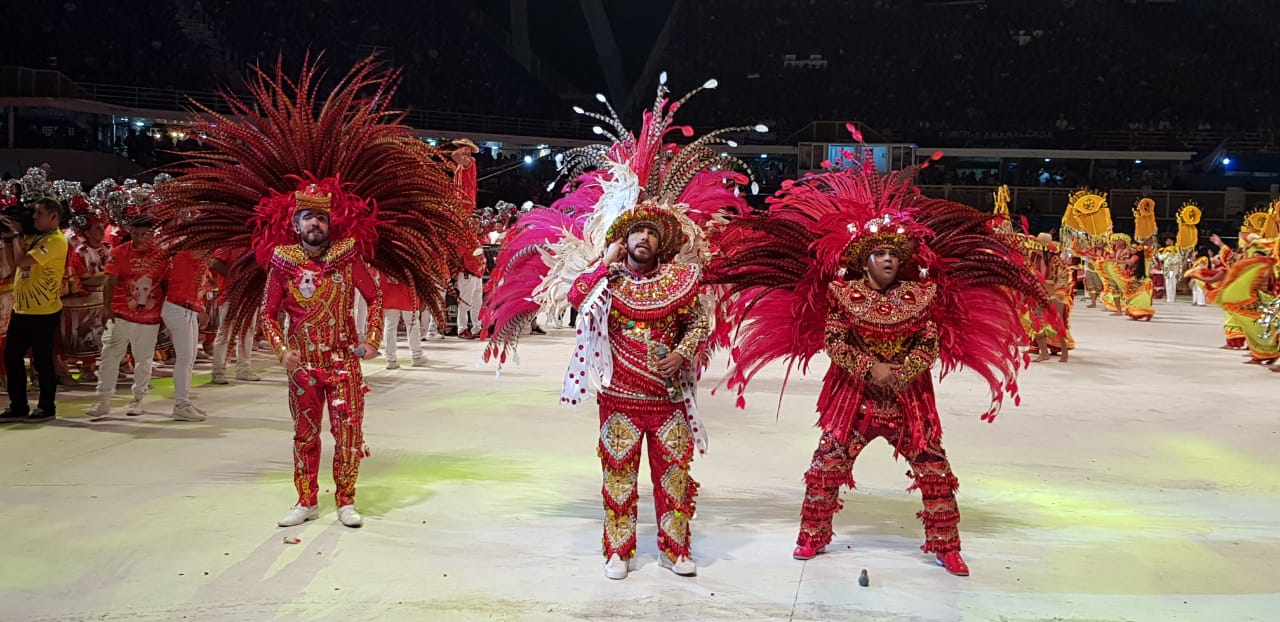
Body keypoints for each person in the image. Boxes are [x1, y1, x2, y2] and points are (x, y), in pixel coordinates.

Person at [705, 147, 1054, 578]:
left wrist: (901, 371)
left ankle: (947, 545)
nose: (888, 258)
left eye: (894, 253)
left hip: (910, 403)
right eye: (879, 253)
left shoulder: (920, 296)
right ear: (864, 260)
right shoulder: (842, 294)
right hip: (853, 399)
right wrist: (871, 369)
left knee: (935, 471)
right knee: (826, 466)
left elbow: (929, 342)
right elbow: (834, 340)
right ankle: (812, 536)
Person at [261, 185, 382, 528]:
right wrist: (281, 350)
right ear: (296, 224)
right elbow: (267, 313)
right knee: (305, 435)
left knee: (348, 435)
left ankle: (346, 500)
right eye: (308, 217)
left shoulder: (346, 257)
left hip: (343, 361)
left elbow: (374, 298)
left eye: (321, 218)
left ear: (330, 223)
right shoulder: (283, 262)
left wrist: (373, 339)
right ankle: (306, 500)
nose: (315, 223)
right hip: (303, 367)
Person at [85, 213, 168, 417]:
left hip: (150, 317)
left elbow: (166, 285)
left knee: (143, 359)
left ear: (153, 234)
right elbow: (110, 281)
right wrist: (107, 308)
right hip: (120, 314)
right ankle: (103, 400)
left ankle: (137, 400)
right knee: (109, 356)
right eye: (135, 234)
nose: (139, 238)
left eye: (144, 234)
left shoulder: (162, 256)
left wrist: (166, 313)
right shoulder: (119, 252)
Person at [0, 198, 69, 422]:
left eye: (38, 213)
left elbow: (21, 261)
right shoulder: (37, 237)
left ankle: (47, 407)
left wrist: (17, 236)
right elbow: (13, 265)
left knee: (42, 361)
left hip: (44, 311)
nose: (33, 217)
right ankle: (18, 406)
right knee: (11, 357)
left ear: (54, 217)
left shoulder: (56, 241)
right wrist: (10, 238)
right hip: (22, 309)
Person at [160, 249, 212, 421]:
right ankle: (181, 405)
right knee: (185, 359)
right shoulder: (187, 254)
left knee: (189, 358)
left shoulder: (199, 257)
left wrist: (201, 309)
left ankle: (184, 401)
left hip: (188, 310)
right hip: (179, 309)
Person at [207, 248, 260, 384]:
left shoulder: (257, 243)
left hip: (249, 296)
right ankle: (218, 371)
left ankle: (243, 370)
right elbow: (214, 262)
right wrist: (236, 277)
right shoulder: (232, 243)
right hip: (230, 295)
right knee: (224, 334)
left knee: (247, 333)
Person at [379, 269, 426, 369]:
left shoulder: (383, 255)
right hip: (407, 293)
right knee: (412, 323)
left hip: (389, 292)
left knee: (390, 325)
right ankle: (416, 356)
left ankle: (390, 359)